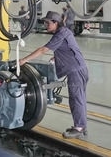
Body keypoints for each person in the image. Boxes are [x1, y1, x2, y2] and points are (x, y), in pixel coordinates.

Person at [19, 11, 88, 139]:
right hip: (80, 68)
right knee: (80, 98)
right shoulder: (64, 31)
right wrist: (57, 57)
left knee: (76, 99)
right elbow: (69, 48)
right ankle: (82, 126)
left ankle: (79, 128)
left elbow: (43, 50)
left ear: (56, 23)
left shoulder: (60, 33)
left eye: (48, 23)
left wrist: (24, 60)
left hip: (75, 71)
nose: (45, 25)